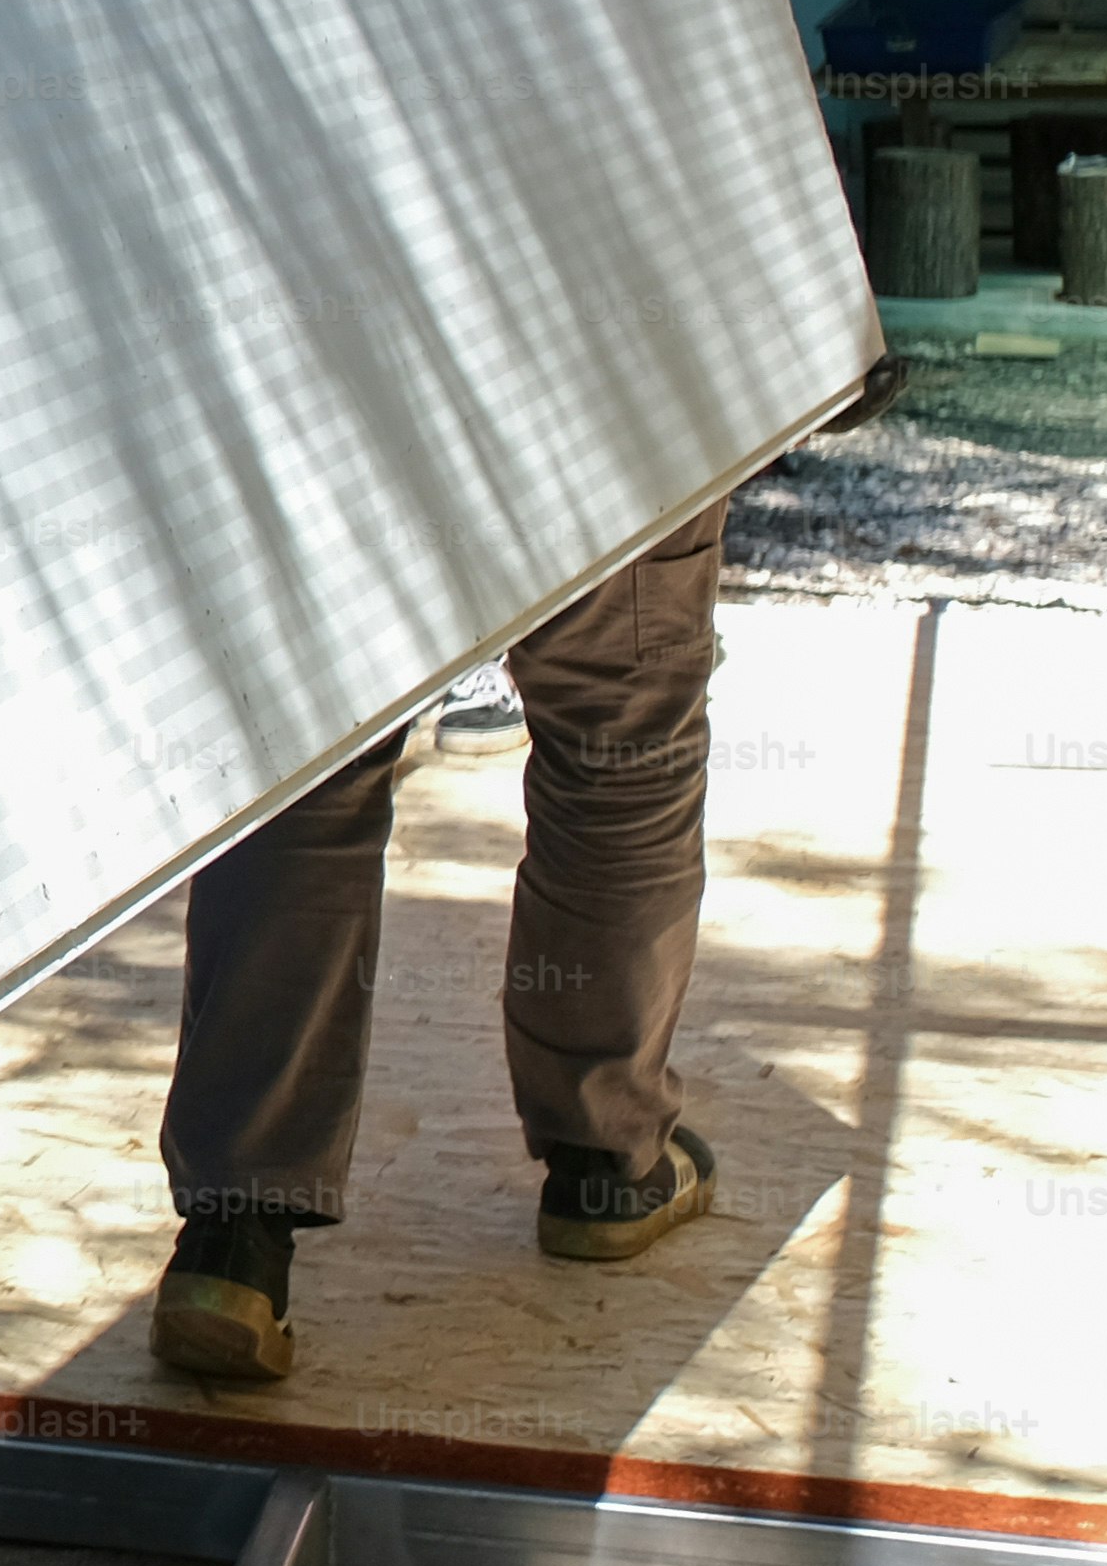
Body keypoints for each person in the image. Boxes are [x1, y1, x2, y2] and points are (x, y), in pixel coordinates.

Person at [148, 362, 905, 1384]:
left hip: (335, 364)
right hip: (601, 349)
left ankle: (233, 1244)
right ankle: (605, 1162)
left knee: (307, 772)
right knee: (619, 747)